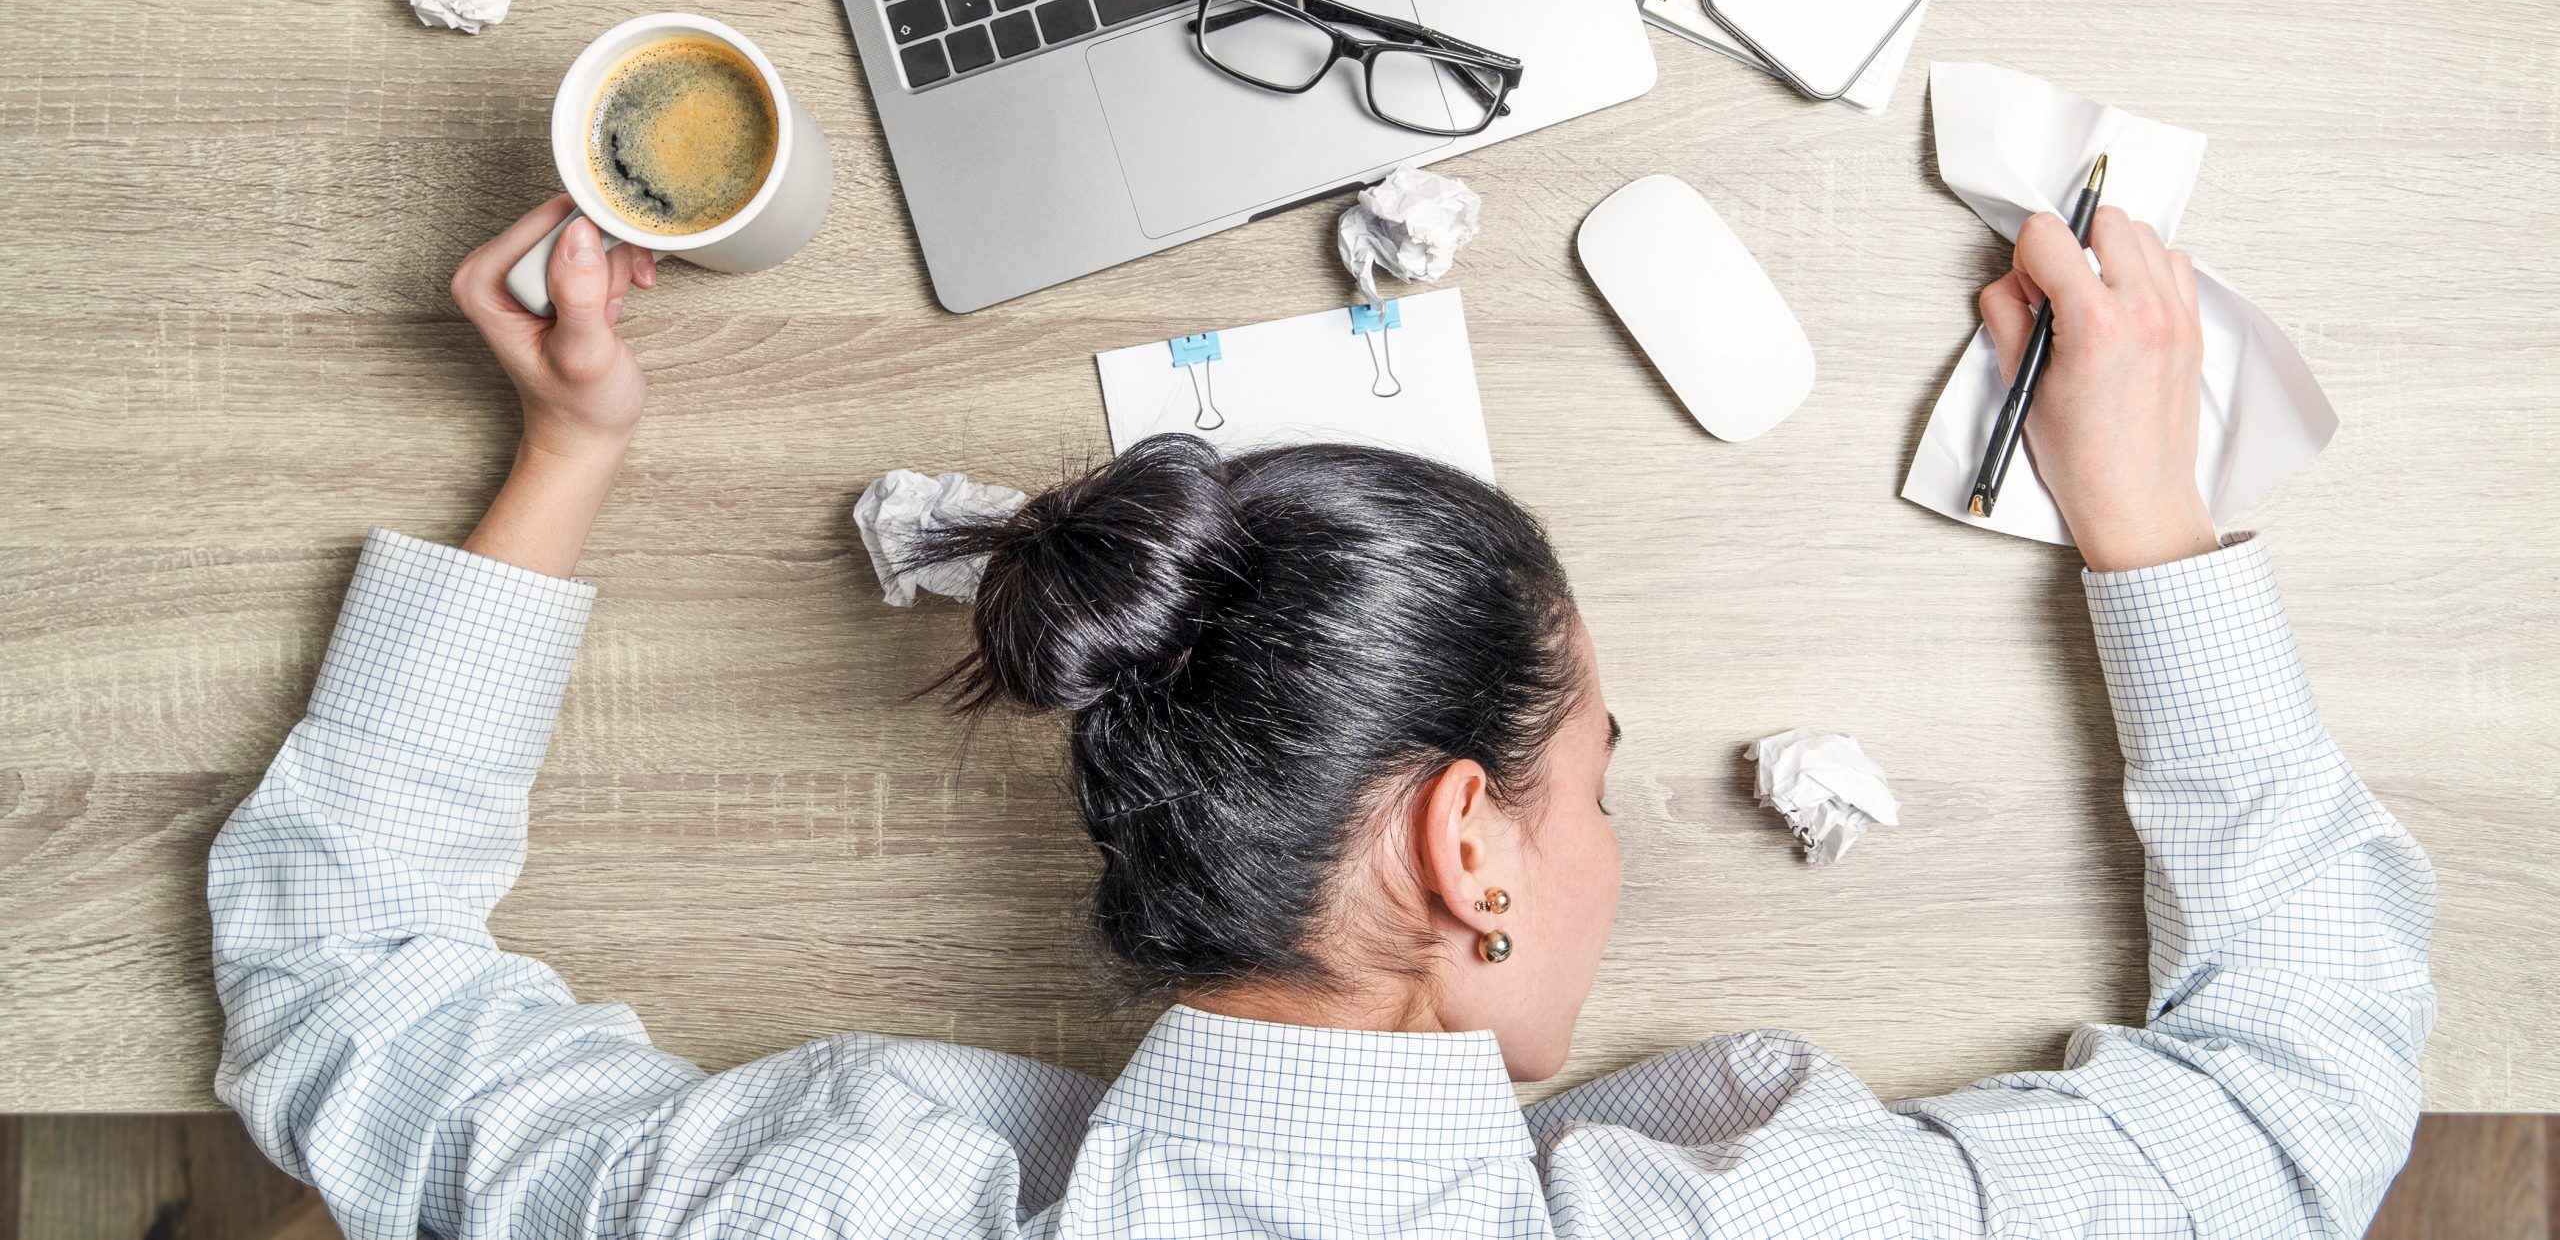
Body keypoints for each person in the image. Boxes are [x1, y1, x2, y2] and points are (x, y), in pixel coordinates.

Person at [209, 196, 2435, 1239]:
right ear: (1465, 847)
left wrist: (569, 450)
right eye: (1590, 782)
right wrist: (2141, 515)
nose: (1609, 844)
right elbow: (2293, 1094)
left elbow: (337, 979)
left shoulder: (822, 1206)